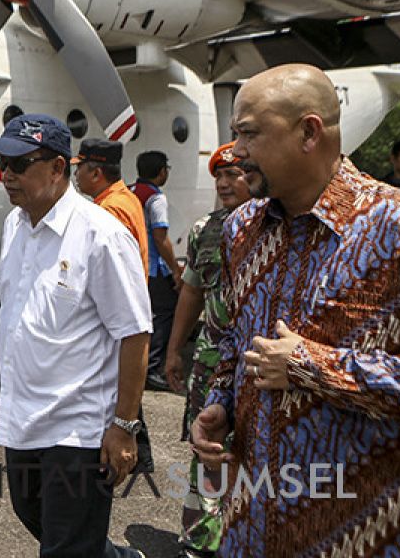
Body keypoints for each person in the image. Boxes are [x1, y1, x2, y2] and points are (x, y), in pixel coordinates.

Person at [190, 64, 400, 556]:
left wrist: (314, 366)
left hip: (367, 531)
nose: (236, 151)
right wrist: (221, 401)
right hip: (253, 526)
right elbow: (233, 339)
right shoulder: (242, 229)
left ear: (308, 132)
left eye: (249, 134)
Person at [0, 115, 151, 558]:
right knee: (34, 516)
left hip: (78, 428)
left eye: (19, 164)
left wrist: (123, 425)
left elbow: (134, 334)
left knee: (65, 548)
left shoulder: (102, 235)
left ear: (57, 168)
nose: (6, 175)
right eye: (3, 163)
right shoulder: (13, 226)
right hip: (23, 417)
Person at [163, 142, 251, 557]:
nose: (224, 182)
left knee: (254, 452)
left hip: (255, 366)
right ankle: (201, 539)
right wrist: (174, 348)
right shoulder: (205, 230)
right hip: (211, 364)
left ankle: (243, 533)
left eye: (234, 173)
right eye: (219, 174)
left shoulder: (277, 227)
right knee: (207, 452)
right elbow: (191, 293)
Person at [72, 137, 155, 474]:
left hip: (117, 310)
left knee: (122, 382)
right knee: (127, 380)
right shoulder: (125, 196)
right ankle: (142, 453)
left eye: (80, 170)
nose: (75, 178)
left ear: (96, 172)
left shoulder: (109, 211)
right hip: (133, 303)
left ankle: (134, 451)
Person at [131, 150, 183, 390]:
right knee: (166, 313)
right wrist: (175, 268)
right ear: (162, 171)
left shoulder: (130, 191)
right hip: (152, 268)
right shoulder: (156, 199)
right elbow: (161, 238)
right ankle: (152, 368)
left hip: (133, 264)